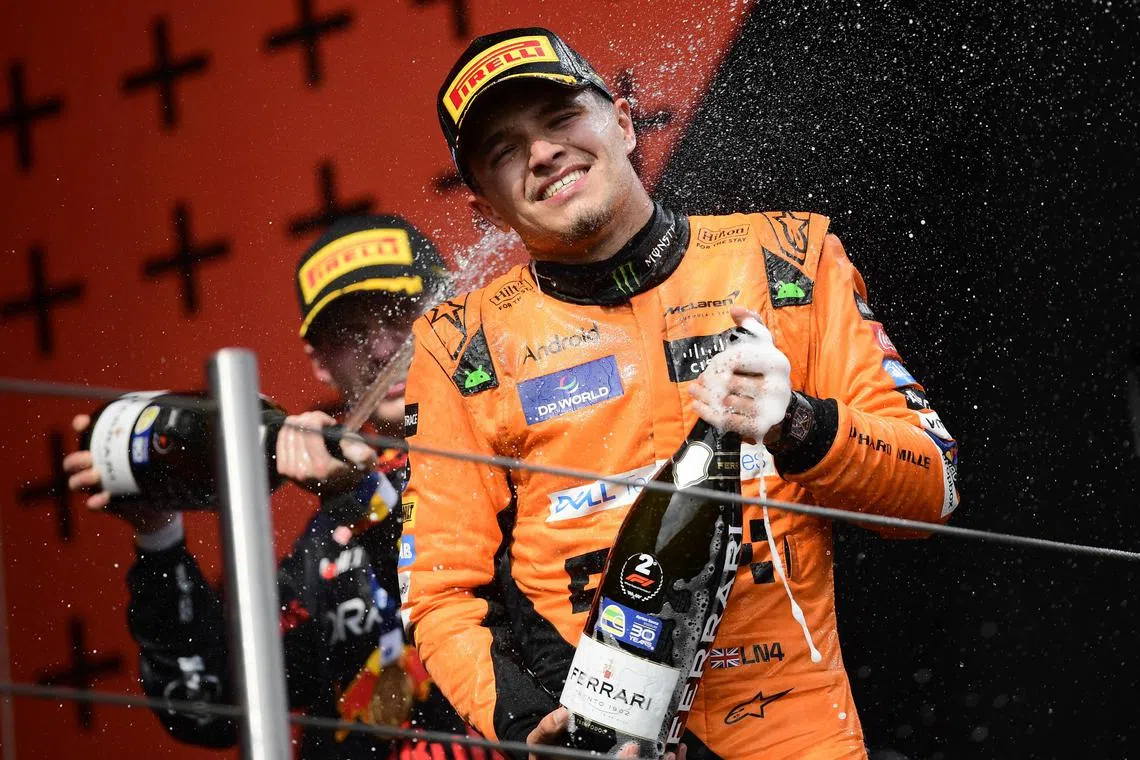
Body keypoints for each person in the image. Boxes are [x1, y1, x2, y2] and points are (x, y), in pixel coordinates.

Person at [399, 28, 961, 760]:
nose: (542, 154)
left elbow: (935, 492)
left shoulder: (785, 257)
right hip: (604, 739)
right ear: (485, 211)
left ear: (624, 122)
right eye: (505, 152)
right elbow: (441, 595)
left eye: (563, 118)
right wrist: (526, 721)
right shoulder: (456, 344)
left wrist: (799, 425)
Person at [63, 215, 485, 759]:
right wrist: (159, 536)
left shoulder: (521, 459)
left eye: (400, 315)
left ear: (452, 314)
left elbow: (480, 601)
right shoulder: (325, 548)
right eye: (349, 334)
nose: (381, 349)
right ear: (319, 362)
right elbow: (206, 711)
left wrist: (362, 503)